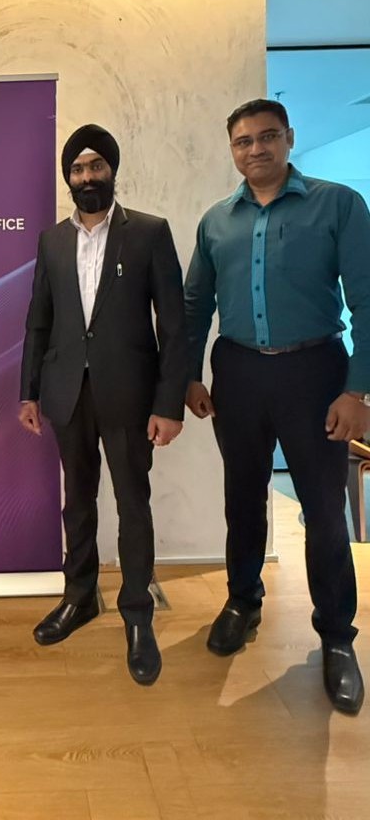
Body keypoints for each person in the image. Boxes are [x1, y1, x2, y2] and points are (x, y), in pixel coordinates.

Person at [184, 98, 370, 714]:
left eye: (267, 137)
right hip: (237, 373)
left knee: (323, 509)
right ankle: (243, 601)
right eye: (243, 141)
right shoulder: (216, 222)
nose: (256, 149)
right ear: (232, 150)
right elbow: (195, 305)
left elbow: (368, 300)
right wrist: (188, 376)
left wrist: (358, 390)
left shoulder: (338, 205)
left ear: (289, 137)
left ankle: (337, 636)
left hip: (315, 373)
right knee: (242, 495)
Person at [19, 124, 187, 685]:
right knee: (78, 502)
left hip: (131, 396)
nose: (87, 176)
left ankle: (137, 613)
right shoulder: (51, 241)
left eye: (96, 166)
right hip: (67, 392)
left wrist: (169, 402)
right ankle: (80, 597)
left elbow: (174, 324)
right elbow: (38, 321)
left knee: (133, 504)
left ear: (112, 170)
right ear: (68, 178)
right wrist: (28, 392)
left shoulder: (149, 233)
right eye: (78, 168)